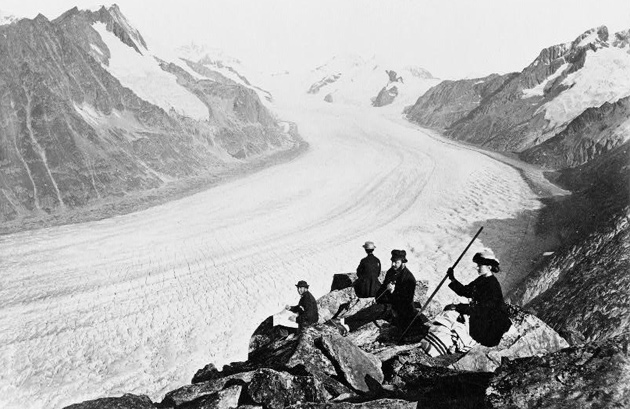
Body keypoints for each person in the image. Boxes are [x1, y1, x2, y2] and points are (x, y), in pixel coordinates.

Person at [445, 248, 512, 347]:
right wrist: (452, 278)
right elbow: (466, 291)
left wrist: (458, 307)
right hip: (482, 318)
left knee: (453, 317)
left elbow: (483, 309)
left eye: (480, 265)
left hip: (490, 327)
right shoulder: (482, 279)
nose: (477, 268)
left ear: (489, 267)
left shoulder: (492, 285)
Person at [375, 249, 417, 328]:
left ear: (403, 263)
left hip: (401, 311)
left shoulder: (409, 278)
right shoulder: (391, 272)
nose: (393, 264)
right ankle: (346, 323)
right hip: (388, 304)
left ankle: (347, 324)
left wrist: (393, 292)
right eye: (392, 261)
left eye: (396, 262)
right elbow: (383, 287)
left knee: (373, 311)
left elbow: (406, 300)